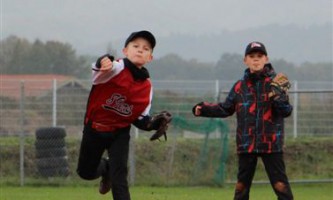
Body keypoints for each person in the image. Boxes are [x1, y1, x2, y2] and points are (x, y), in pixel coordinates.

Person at [192, 41, 294, 200]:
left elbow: (286, 111)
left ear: (266, 59)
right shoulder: (239, 86)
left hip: (271, 143)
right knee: (241, 190)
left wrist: (280, 98)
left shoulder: (275, 84)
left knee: (281, 187)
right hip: (246, 143)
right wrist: (204, 109)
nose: (256, 59)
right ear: (245, 60)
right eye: (251, 56)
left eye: (259, 56)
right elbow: (225, 108)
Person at [77, 30, 171, 200]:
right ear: (125, 51)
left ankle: (112, 172)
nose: (140, 50)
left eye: (146, 48)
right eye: (135, 46)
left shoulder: (146, 87)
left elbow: (140, 118)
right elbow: (98, 72)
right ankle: (105, 168)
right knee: (86, 172)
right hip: (95, 127)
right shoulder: (116, 68)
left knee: (120, 178)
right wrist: (103, 61)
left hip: (119, 133)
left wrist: (153, 124)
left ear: (150, 57)